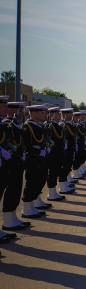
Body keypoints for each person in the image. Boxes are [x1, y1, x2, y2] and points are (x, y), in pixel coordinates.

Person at [0, 96, 28, 238]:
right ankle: (7, 220)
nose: (21, 112)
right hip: (8, 161)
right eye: (4, 107)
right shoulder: (6, 123)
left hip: (12, 161)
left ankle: (11, 218)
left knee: (14, 189)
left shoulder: (9, 124)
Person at [20, 105, 52, 218]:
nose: (45, 115)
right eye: (42, 112)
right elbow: (26, 144)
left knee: (40, 179)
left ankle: (33, 206)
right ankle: (27, 209)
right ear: (33, 114)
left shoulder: (40, 126)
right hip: (32, 158)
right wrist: (38, 152)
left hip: (41, 157)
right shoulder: (27, 126)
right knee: (32, 181)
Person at [58, 108, 77, 194]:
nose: (72, 115)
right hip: (66, 150)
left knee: (68, 166)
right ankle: (62, 187)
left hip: (70, 149)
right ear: (65, 115)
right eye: (70, 114)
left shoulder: (68, 124)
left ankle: (65, 184)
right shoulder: (63, 125)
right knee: (64, 167)